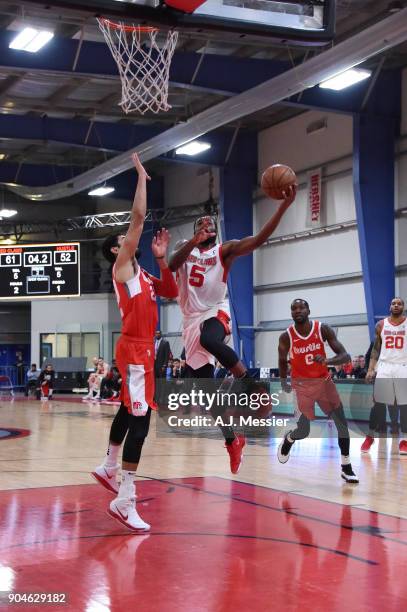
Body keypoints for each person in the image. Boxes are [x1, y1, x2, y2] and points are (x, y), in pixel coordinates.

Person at [169, 186, 296, 473]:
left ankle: (249, 383)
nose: (207, 225)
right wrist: (193, 240)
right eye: (201, 223)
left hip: (216, 311)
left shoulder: (224, 251)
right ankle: (232, 442)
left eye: (211, 224)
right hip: (190, 320)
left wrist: (284, 206)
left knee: (210, 338)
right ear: (194, 230)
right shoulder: (184, 251)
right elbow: (172, 263)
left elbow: (259, 239)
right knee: (206, 396)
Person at [91, 153, 178, 532]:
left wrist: (162, 260)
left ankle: (109, 466)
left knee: (131, 411)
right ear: (117, 248)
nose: (129, 240)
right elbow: (139, 218)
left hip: (142, 349)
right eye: (122, 240)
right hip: (135, 349)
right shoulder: (122, 266)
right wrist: (141, 176)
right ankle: (125, 497)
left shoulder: (142, 273)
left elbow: (171, 291)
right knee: (141, 423)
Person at [277, 299, 359, 483]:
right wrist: (283, 382)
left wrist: (327, 361)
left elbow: (345, 356)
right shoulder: (286, 336)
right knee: (303, 431)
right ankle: (289, 439)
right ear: (291, 313)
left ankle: (346, 466)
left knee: (342, 424)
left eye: (301, 307)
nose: (298, 310)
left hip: (324, 383)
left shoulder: (323, 329)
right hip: (302, 386)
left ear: (308, 310)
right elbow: (282, 361)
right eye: (294, 308)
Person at [361, 297, 407, 454]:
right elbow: (375, 350)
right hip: (385, 366)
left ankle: (404, 440)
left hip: (403, 366)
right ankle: (370, 436)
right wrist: (370, 369)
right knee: (378, 404)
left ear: (403, 307)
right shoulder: (381, 325)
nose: (396, 305)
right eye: (393, 303)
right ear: (390, 306)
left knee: (404, 405)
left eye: (399, 303)